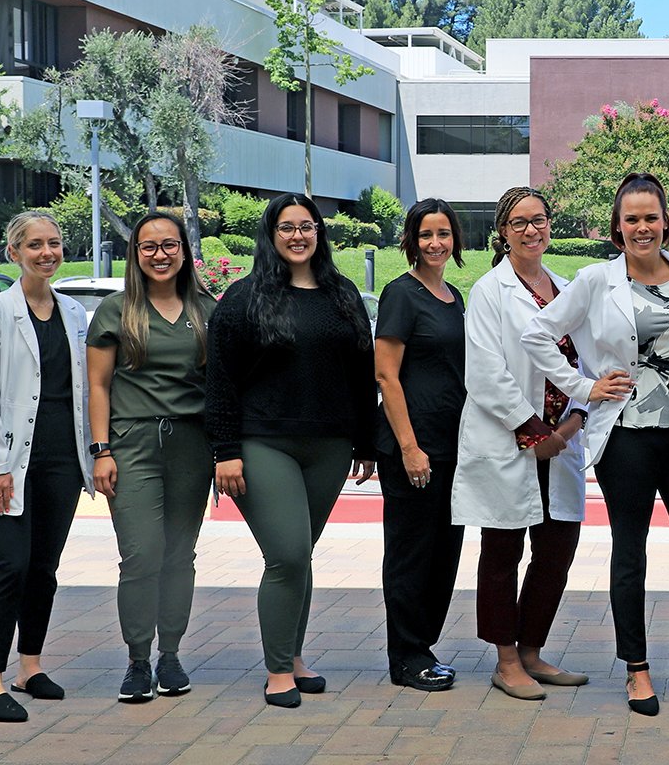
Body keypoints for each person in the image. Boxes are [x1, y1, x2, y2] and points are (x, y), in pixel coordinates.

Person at [522, 172, 669, 715]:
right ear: (618, 227)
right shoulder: (595, 280)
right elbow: (537, 334)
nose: (643, 227)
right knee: (630, 554)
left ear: (666, 221)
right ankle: (636, 669)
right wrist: (583, 387)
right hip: (626, 437)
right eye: (632, 219)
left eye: (651, 217)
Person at [205, 194, 377, 709]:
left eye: (307, 226)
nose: (298, 235)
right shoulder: (243, 298)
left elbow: (361, 375)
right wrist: (225, 450)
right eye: (286, 227)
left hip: (328, 446)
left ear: (319, 233)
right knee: (285, 555)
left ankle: (294, 657)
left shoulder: (341, 294)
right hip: (263, 445)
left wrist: (366, 443)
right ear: (271, 235)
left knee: (300, 556)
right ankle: (278, 669)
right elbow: (221, 381)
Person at [452, 186, 597, 699]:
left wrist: (573, 422)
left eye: (539, 219)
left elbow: (589, 360)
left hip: (562, 442)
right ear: (503, 231)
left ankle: (533, 650)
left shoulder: (567, 287)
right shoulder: (490, 290)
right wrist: (533, 431)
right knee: (502, 551)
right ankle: (506, 658)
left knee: (557, 550)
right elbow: (487, 373)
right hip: (511, 442)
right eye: (519, 222)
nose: (531, 230)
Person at [0, 211, 94, 723]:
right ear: (14, 252)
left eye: (54, 243)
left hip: (62, 458)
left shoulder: (74, 313)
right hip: (10, 460)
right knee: (9, 566)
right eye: (34, 244)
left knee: (44, 567)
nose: (46, 253)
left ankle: (29, 667)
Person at [87, 212, 218, 703]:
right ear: (135, 255)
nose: (159, 254)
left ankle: (171, 656)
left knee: (180, 554)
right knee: (142, 553)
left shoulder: (206, 309)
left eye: (169, 245)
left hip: (191, 444)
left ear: (184, 250)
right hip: (133, 443)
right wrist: (101, 450)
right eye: (148, 246)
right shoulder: (116, 311)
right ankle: (138, 660)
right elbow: (98, 386)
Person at [372, 198, 469, 693]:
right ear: (410, 240)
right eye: (426, 234)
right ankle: (405, 656)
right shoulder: (400, 295)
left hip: (454, 448)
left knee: (443, 554)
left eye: (444, 234)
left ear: (455, 239)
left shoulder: (454, 295)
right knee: (411, 554)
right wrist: (409, 447)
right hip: (414, 448)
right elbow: (386, 375)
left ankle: (423, 646)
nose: (436, 243)